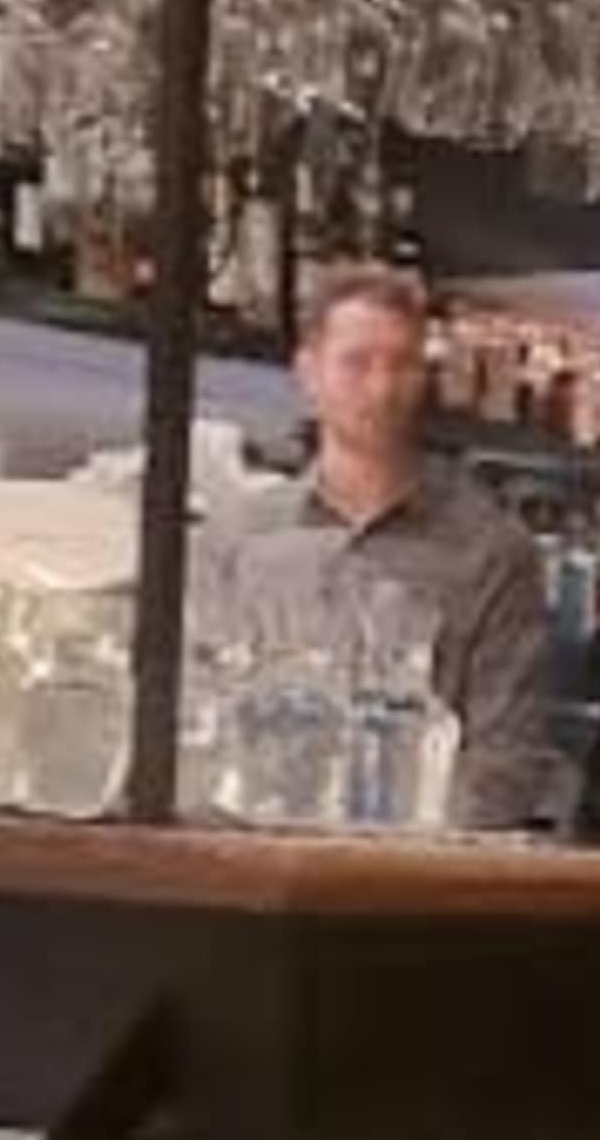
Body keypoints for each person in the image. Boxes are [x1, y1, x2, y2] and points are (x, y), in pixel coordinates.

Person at [235, 262, 571, 828]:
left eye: (403, 365)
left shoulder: (492, 552)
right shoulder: (248, 535)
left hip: (412, 884)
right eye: (357, 363)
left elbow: (505, 763)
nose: (383, 387)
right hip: (257, 865)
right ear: (308, 373)